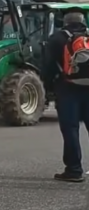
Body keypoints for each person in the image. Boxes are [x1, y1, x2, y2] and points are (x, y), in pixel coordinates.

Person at [42, 10, 89, 182]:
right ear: (83, 21)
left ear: (65, 22)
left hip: (67, 88)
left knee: (71, 129)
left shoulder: (56, 39)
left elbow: (47, 66)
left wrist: (48, 88)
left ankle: (74, 170)